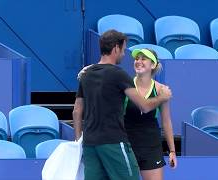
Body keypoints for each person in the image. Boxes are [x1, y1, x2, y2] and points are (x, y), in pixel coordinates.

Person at [72, 29, 172, 180]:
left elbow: (76, 111)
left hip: (90, 144)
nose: (124, 54)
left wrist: (78, 140)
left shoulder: (86, 74)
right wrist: (162, 97)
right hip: (114, 142)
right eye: (124, 50)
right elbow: (144, 106)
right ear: (116, 48)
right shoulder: (119, 75)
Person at [124, 48, 177, 180]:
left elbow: (166, 121)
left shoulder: (161, 90)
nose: (139, 61)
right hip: (127, 145)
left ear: (153, 65)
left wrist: (172, 151)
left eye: (143, 59)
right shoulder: (125, 86)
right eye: (137, 59)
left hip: (151, 146)